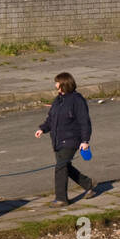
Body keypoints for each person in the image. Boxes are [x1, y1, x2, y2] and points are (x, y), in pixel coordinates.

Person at [34, 71, 95, 205]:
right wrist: (42, 129)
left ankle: (61, 199)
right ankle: (88, 184)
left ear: (64, 84)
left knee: (60, 168)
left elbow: (85, 121)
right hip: (57, 140)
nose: (55, 85)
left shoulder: (77, 100)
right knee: (65, 166)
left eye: (57, 83)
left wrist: (85, 141)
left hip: (71, 139)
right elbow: (51, 119)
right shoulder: (58, 100)